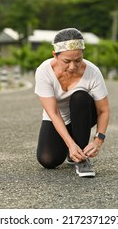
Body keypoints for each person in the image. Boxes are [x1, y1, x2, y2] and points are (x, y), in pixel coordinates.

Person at [34, 28, 110, 177]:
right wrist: (70, 144)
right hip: (58, 117)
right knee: (48, 160)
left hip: (83, 114)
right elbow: (53, 113)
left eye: (78, 60)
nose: (73, 67)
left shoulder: (93, 72)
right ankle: (72, 149)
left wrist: (98, 140)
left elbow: (104, 110)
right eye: (67, 61)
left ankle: (81, 158)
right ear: (55, 55)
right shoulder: (44, 71)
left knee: (80, 96)